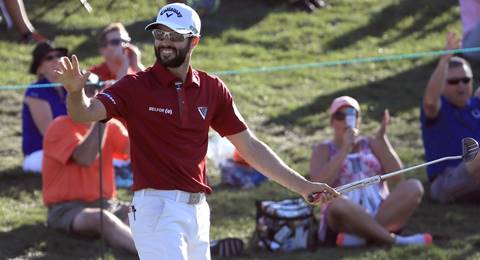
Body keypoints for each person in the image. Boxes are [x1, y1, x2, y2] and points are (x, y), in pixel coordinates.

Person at [54, 3, 339, 259]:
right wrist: (75, 93)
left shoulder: (213, 89)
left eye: (175, 36)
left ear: (194, 41)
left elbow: (250, 147)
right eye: (160, 35)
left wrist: (303, 186)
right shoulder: (134, 86)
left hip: (198, 210)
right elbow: (83, 113)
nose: (165, 42)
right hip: (156, 208)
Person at [310, 96, 431, 247]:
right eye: (340, 116)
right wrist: (344, 149)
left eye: (352, 115)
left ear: (359, 120)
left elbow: (397, 175)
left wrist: (382, 139)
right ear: (332, 122)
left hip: (379, 207)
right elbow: (316, 187)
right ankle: (396, 240)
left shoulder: (371, 143)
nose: (346, 121)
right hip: (344, 213)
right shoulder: (323, 149)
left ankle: (362, 237)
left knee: (414, 186)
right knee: (338, 203)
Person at [41, 84, 136, 254]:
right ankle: (152, 254)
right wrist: (102, 117)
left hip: (108, 204)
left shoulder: (111, 125)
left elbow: (136, 150)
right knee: (103, 218)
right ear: (70, 99)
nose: (92, 95)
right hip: (68, 209)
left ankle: (126, 240)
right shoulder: (59, 126)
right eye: (86, 91)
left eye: (96, 90)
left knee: (142, 210)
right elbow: (85, 158)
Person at [421, 32, 480, 204]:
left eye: (465, 80)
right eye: (453, 82)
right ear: (443, 85)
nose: (461, 85)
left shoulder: (476, 104)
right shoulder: (439, 109)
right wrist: (445, 60)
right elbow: (430, 102)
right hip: (446, 182)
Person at [89, 22, 145, 188]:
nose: (122, 45)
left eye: (125, 40)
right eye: (115, 42)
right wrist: (126, 65)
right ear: (103, 49)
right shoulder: (94, 74)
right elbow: (115, 97)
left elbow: (156, 97)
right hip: (111, 137)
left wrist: (136, 65)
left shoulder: (136, 70)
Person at [21, 41, 68, 173]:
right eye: (49, 58)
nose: (56, 60)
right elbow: (49, 132)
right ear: (39, 68)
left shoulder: (68, 89)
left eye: (59, 55)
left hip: (67, 148)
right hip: (39, 154)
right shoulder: (35, 92)